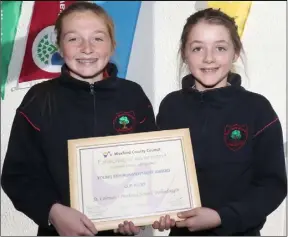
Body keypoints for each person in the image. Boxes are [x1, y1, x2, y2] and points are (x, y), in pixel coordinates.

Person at [1, 2, 156, 236]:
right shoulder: (39, 99)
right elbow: (17, 176)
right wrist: (52, 212)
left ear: (112, 45)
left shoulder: (133, 96)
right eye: (73, 39)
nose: (86, 48)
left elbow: (151, 167)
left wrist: (142, 211)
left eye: (98, 38)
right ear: (60, 47)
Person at [151, 8, 287, 236]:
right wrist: (156, 211)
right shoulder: (170, 107)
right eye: (197, 48)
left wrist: (221, 217)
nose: (209, 58)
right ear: (185, 53)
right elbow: (157, 174)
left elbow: (272, 185)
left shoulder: (257, 109)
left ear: (235, 53)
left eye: (220, 48)